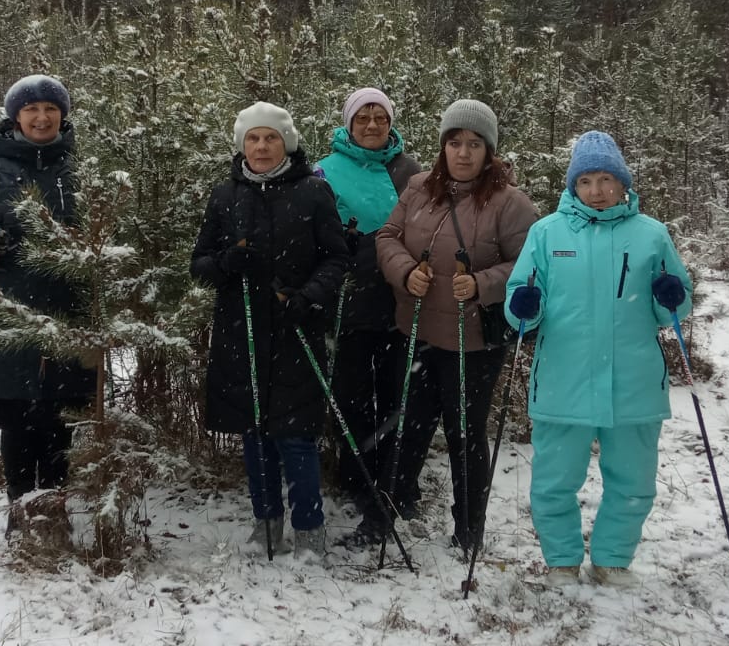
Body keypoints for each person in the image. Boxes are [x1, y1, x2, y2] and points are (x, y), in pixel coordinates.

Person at [504, 132, 692, 588]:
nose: (597, 190)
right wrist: (524, 305)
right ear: (573, 185)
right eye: (586, 180)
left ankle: (612, 559)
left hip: (634, 380)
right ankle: (561, 561)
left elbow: (674, 309)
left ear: (623, 183)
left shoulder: (651, 234)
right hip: (562, 378)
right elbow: (519, 303)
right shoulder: (547, 233)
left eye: (607, 179)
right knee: (554, 480)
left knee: (634, 481)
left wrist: (671, 296)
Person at [376, 99, 537, 552]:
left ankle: (469, 528)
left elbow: (530, 264)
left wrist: (483, 283)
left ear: (489, 151)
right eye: (454, 142)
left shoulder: (511, 203)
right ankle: (390, 509)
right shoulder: (418, 188)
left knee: (465, 436)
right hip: (417, 332)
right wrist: (406, 271)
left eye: (474, 144)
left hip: (474, 342)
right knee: (409, 427)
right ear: (443, 146)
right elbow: (387, 237)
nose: (463, 153)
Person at [191, 102, 350, 557]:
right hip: (240, 333)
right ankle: (266, 522)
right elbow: (199, 265)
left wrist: (310, 296)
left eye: (271, 138)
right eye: (253, 138)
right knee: (255, 434)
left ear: (288, 142)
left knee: (297, 436)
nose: (261, 146)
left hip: (295, 330)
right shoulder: (225, 195)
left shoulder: (313, 192)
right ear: (242, 144)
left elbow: (336, 258)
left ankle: (309, 529)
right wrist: (227, 262)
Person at [0, 74, 94, 534]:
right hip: (4, 308)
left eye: (50, 109)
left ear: (62, 116)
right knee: (15, 414)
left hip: (66, 308)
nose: (41, 117)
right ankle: (20, 509)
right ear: (15, 117)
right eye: (31, 109)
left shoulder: (81, 168)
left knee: (57, 415)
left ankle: (54, 509)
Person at [314, 87, 424, 544]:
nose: (373, 125)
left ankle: (398, 480)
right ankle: (358, 478)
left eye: (381, 117)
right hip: (350, 300)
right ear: (349, 123)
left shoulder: (411, 172)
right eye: (363, 118)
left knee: (400, 395)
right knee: (352, 396)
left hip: (402, 300)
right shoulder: (324, 171)